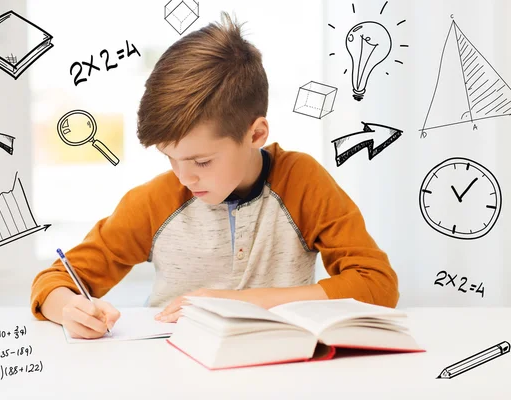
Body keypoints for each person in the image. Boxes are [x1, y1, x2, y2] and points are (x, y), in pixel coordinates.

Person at [30, 11, 399, 339]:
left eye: (202, 162)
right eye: (170, 158)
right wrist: (69, 310)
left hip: (284, 368)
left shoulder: (302, 182)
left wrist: (240, 303)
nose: (184, 177)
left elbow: (377, 284)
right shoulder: (156, 201)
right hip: (172, 368)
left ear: (255, 134)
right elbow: (53, 282)